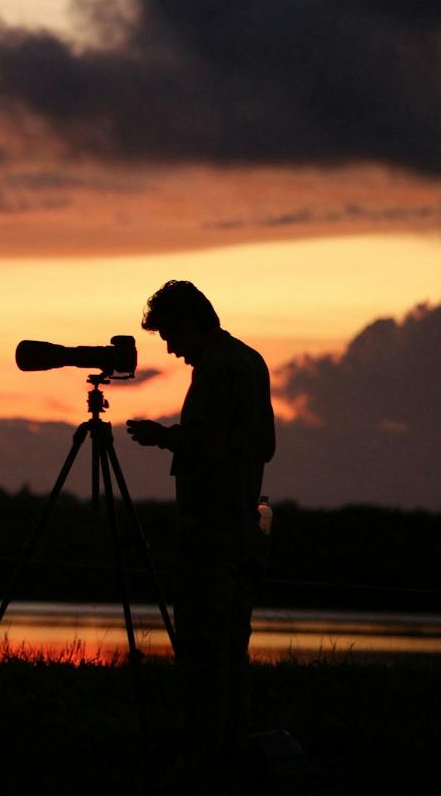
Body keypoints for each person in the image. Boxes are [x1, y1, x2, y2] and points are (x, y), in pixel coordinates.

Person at [125, 280, 275, 786]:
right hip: (243, 526)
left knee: (204, 650)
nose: (169, 347)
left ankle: (204, 761)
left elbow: (209, 444)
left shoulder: (215, 368)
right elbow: (262, 445)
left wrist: (162, 438)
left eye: (170, 333)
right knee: (233, 648)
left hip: (210, 529)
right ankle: (229, 752)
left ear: (191, 323)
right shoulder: (251, 361)